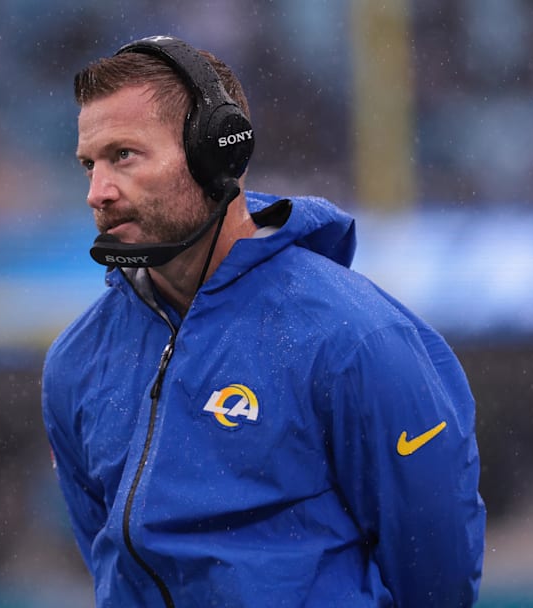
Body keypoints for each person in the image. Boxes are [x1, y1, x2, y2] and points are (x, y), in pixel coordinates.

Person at [41, 35, 485, 607]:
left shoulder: (358, 339)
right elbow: (108, 560)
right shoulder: (76, 360)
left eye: (123, 155)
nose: (96, 193)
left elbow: (437, 576)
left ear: (217, 154)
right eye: (88, 164)